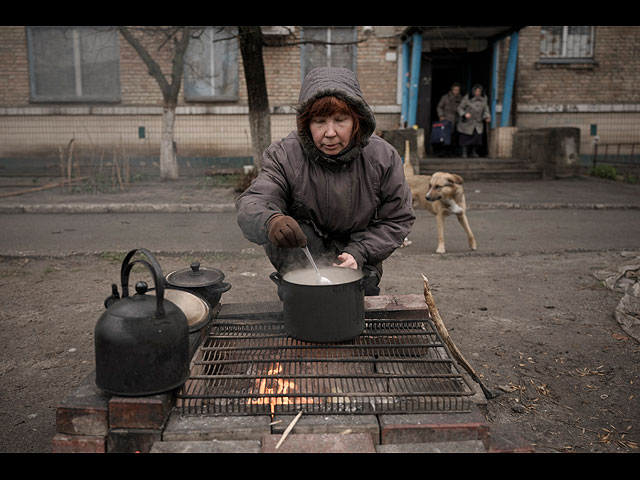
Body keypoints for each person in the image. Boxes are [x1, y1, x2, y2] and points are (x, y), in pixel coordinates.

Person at [236, 67, 416, 298]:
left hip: (360, 258)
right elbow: (253, 202)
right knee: (306, 307)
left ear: (357, 120)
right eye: (319, 121)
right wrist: (270, 221)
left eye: (340, 120)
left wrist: (359, 252)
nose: (330, 132)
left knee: (354, 309)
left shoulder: (383, 157)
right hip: (301, 259)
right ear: (306, 124)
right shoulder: (284, 155)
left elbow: (397, 218)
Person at [456, 84, 491, 158]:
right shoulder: (467, 98)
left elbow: (486, 109)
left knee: (477, 137)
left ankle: (473, 152)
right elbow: (460, 108)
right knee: (465, 137)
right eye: (476, 91)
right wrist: (464, 114)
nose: (477, 93)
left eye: (479, 91)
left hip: (477, 122)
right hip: (467, 122)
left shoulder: (484, 99)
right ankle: (464, 152)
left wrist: (487, 116)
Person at [435, 82, 462, 156]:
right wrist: (441, 115)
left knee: (454, 137)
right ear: (452, 90)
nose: (456, 91)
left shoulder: (460, 98)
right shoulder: (445, 97)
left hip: (456, 120)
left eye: (457, 90)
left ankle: (452, 152)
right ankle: (443, 151)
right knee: (444, 136)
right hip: (446, 119)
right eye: (455, 90)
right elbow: (439, 107)